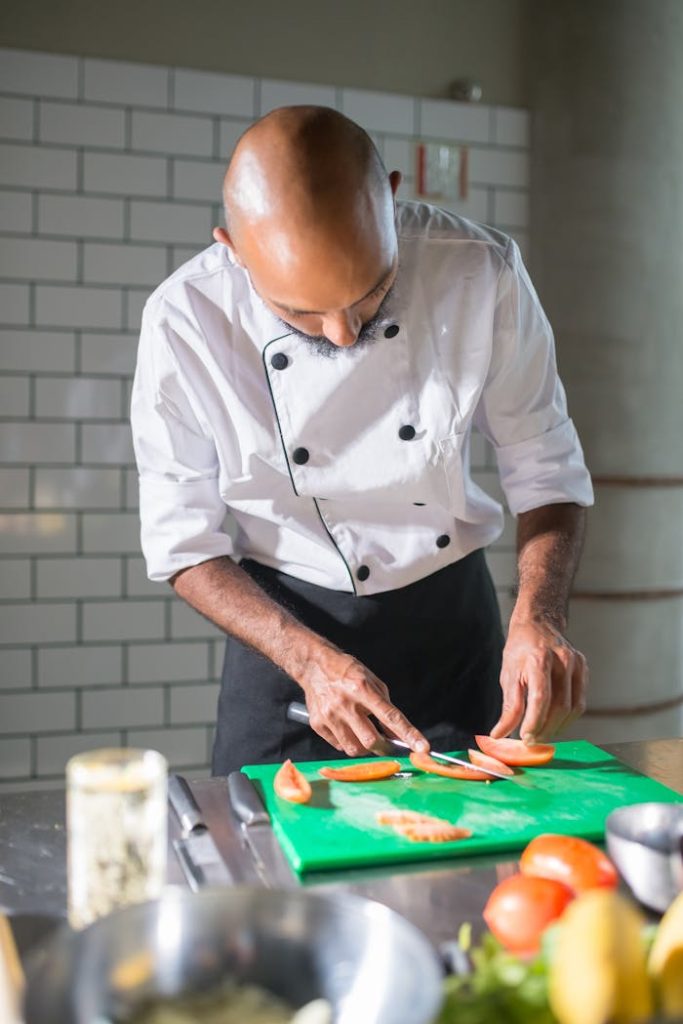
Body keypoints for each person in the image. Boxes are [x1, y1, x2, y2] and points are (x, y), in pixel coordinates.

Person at [131, 106, 594, 776]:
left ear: (392, 198)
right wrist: (307, 659)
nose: (343, 334)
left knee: (471, 860)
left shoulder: (479, 271)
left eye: (370, 293)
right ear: (231, 248)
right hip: (286, 635)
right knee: (264, 861)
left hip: (450, 628)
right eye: (298, 312)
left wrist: (539, 617)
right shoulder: (184, 322)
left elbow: (547, 469)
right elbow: (183, 544)